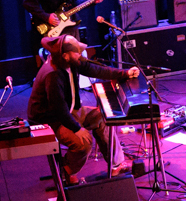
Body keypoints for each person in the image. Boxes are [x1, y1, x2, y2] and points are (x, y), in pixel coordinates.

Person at [26, 34, 138, 183]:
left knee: (102, 116)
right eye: (77, 52)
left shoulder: (71, 62)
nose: (81, 54)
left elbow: (96, 70)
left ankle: (116, 165)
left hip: (67, 111)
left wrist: (125, 73)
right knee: (83, 142)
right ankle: (67, 171)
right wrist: (77, 128)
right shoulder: (53, 75)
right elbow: (58, 110)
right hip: (50, 121)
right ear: (65, 56)